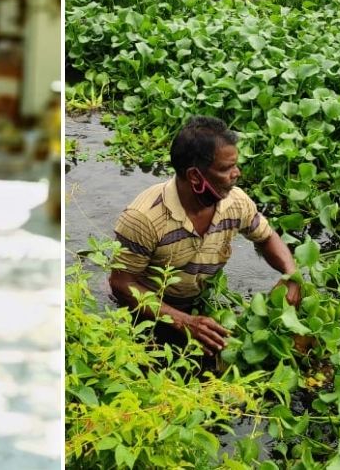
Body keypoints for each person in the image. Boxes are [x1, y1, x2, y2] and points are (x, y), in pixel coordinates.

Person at [108, 115, 301, 361]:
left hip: (196, 300)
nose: (236, 174)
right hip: (148, 309)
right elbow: (122, 283)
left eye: (235, 165)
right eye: (225, 169)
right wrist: (183, 321)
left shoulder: (236, 202)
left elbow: (266, 237)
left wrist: (291, 275)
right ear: (196, 177)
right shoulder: (144, 218)